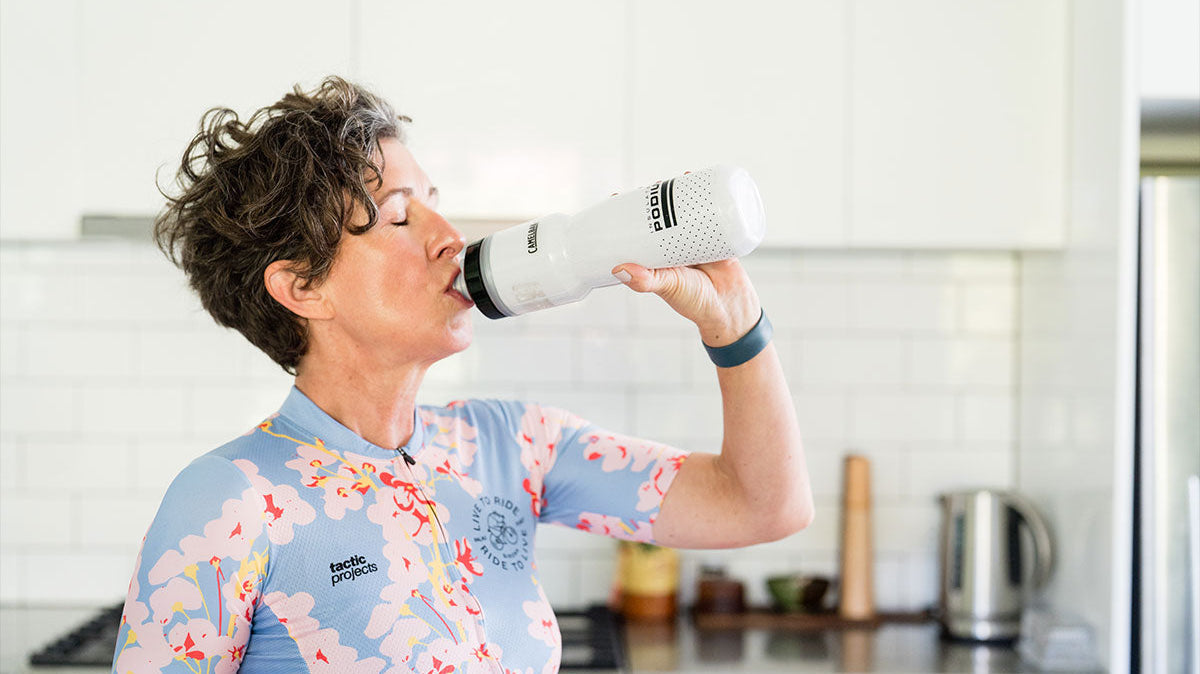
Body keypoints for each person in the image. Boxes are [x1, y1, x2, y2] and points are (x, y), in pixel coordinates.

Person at [112, 76, 813, 674]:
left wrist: (736, 327)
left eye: (433, 199)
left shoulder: (513, 445)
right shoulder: (226, 503)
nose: (449, 234)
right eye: (397, 216)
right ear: (302, 288)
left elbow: (762, 505)